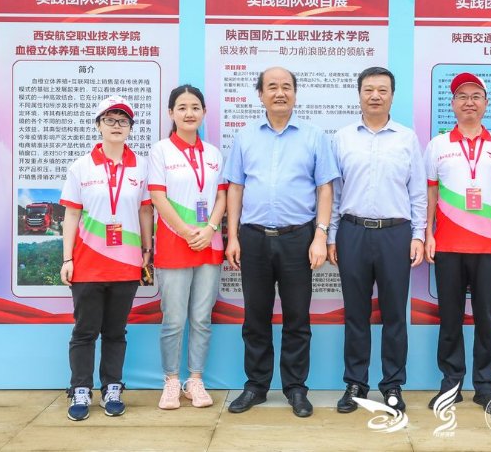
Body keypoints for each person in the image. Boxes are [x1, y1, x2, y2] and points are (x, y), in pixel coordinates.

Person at [223, 66, 339, 418]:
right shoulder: (245, 137)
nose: (279, 92)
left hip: (298, 238)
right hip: (254, 238)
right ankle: (256, 386)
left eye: (286, 86)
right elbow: (235, 187)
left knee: (297, 318)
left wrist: (320, 235)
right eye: (272, 87)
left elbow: (325, 188)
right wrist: (232, 236)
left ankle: (295, 388)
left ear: (295, 94)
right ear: (260, 94)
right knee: (255, 317)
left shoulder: (314, 136)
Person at [327, 66, 426, 413]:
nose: (375, 96)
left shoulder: (406, 138)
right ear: (359, 94)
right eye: (369, 89)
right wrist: (332, 236)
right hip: (352, 231)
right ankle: (355, 383)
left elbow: (417, 192)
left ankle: (393, 384)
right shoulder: (342, 138)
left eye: (382, 90)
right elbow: (335, 193)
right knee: (356, 313)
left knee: (394, 313)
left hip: (395, 234)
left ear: (392, 96)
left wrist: (418, 235)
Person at [423, 73, 491, 411]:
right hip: (448, 245)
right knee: (450, 319)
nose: (469, 102)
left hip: (490, 246)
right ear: (452, 104)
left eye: (476, 96)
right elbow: (430, 193)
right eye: (462, 96)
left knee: (486, 320)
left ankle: (485, 386)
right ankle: (451, 383)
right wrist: (428, 234)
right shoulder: (438, 145)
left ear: (485, 104)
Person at [59, 96, 152, 421]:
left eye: (123, 120)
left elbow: (145, 211)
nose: (116, 125)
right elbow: (71, 215)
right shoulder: (81, 167)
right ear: (98, 125)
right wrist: (67, 259)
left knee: (116, 331)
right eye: (110, 119)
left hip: (126, 264)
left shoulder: (141, 166)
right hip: (87, 264)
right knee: (85, 331)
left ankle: (112, 387)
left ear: (130, 128)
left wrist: (147, 252)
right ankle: (80, 390)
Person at [148, 85, 227, 410]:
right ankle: (171, 381)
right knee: (174, 319)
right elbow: (157, 196)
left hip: (209, 243)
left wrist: (209, 230)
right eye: (182, 107)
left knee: (201, 318)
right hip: (173, 244)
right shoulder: (161, 150)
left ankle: (195, 379)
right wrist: (185, 231)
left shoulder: (214, 154)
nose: (189, 113)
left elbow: (222, 196)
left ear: (204, 112)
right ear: (171, 113)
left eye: (195, 107)